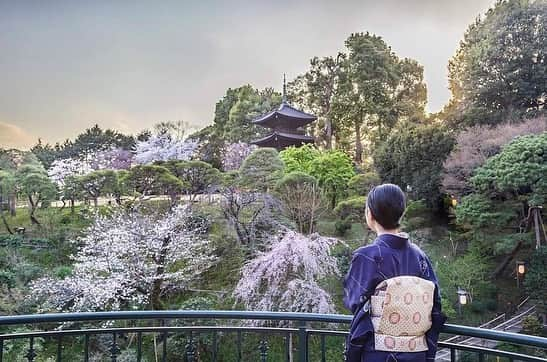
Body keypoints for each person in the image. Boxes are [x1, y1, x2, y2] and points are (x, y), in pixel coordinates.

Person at [343, 184, 446, 362]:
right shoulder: (420, 256)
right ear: (401, 213)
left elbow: (354, 301)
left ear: (370, 215)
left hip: (378, 353)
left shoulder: (367, 256)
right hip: (416, 353)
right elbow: (435, 304)